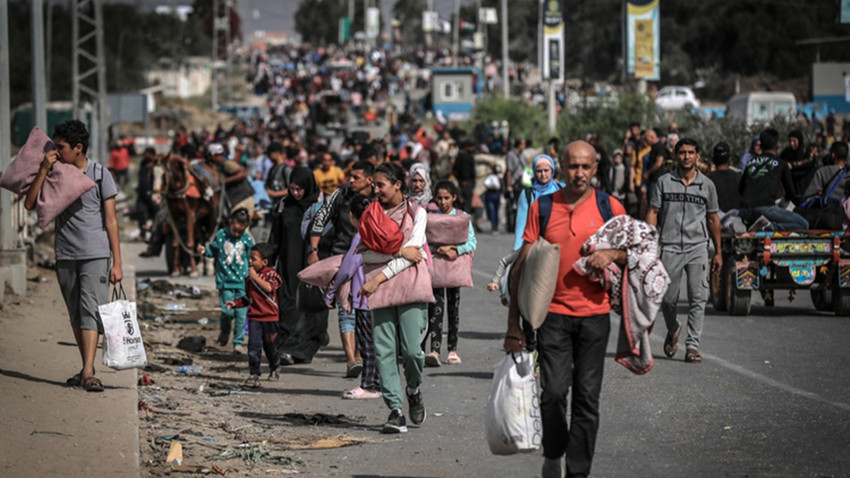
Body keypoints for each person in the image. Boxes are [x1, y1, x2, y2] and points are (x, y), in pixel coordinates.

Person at [503, 140, 626, 478]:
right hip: (553, 316)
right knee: (554, 393)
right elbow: (521, 268)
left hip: (595, 317)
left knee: (587, 399)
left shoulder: (609, 207)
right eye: (573, 166)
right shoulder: (542, 207)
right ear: (562, 167)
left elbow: (636, 253)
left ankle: (577, 473)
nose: (580, 173)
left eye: (586, 167)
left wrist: (613, 255)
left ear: (595, 169)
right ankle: (554, 451)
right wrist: (513, 324)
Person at [25, 120, 122, 392]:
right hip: (65, 253)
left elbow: (112, 221)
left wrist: (118, 262)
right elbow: (30, 204)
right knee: (75, 314)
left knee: (91, 311)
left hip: (95, 254)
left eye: (61, 147)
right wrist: (44, 168)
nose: (56, 151)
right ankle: (85, 368)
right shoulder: (55, 174)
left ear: (78, 148)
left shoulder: (100, 174)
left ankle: (89, 373)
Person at [358, 162, 429, 434]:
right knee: (384, 351)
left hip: (409, 287)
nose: (375, 190)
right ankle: (395, 410)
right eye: (374, 185)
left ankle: (413, 388)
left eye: (380, 185)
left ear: (398, 184)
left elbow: (416, 252)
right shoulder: (370, 215)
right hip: (380, 291)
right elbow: (366, 255)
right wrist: (400, 253)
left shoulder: (417, 213)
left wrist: (377, 276)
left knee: (412, 350)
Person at [646, 138, 722, 364]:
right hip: (669, 246)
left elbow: (713, 219)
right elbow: (653, 212)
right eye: (682, 152)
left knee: (698, 298)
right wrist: (650, 244)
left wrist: (718, 251)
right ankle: (673, 328)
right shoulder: (664, 182)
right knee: (667, 299)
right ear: (676, 155)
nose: (686, 156)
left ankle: (692, 346)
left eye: (691, 152)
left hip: (698, 247)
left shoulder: (707, 185)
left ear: (698, 156)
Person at [306, 161, 375, 376]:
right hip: (341, 257)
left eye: (356, 177)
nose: (350, 180)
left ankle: (361, 355)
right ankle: (351, 360)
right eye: (350, 176)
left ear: (369, 180)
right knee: (346, 308)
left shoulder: (379, 198)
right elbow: (320, 219)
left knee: (365, 307)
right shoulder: (338, 196)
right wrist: (313, 249)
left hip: (370, 260)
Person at [325, 194, 382, 400]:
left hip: (364, 297)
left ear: (352, 216)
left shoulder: (360, 237)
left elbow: (348, 269)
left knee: (366, 343)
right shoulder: (380, 234)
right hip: (382, 296)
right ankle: (378, 382)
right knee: (378, 343)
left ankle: (369, 385)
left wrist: (331, 291)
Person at [272, 167, 329, 364]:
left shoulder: (323, 205)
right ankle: (286, 346)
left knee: (312, 305)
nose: (296, 193)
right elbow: (275, 237)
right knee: (287, 302)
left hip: (314, 262)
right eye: (292, 189)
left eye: (300, 189)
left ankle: (304, 349)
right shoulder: (284, 205)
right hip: (288, 263)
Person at [425, 180, 477, 367]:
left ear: (454, 197)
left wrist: (454, 249)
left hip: (454, 270)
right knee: (435, 310)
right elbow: (424, 242)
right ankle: (434, 350)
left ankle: (452, 349)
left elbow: (471, 242)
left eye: (447, 198)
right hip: (437, 270)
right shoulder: (430, 217)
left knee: (453, 311)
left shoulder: (462, 217)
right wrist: (439, 250)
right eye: (439, 198)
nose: (443, 202)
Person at [197, 208, 254, 354]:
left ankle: (238, 343)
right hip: (225, 282)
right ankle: (225, 331)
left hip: (242, 283)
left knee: (241, 314)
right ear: (230, 222)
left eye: (240, 231)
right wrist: (204, 252)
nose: (237, 234)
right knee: (228, 312)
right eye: (235, 230)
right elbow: (212, 252)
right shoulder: (221, 235)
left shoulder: (246, 239)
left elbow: (250, 259)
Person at [225, 243, 282, 388]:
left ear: (265, 262)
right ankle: (254, 373)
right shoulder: (249, 279)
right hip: (255, 318)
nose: (250, 262)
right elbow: (248, 298)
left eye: (253, 259)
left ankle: (275, 366)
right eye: (249, 258)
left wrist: (255, 278)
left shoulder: (271, 274)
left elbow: (269, 288)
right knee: (253, 347)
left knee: (271, 347)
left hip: (270, 318)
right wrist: (236, 303)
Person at [739, 129, 809, 231]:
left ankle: (758, 225)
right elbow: (791, 193)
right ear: (777, 145)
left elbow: (741, 189)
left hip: (745, 211)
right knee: (803, 224)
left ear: (761, 145)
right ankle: (770, 227)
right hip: (765, 209)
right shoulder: (781, 164)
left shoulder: (750, 162)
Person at [513, 154, 564, 251]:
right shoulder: (527, 194)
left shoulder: (562, 190)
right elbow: (521, 225)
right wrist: (517, 251)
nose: (543, 174)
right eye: (539, 171)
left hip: (560, 244)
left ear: (552, 171)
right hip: (536, 246)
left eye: (546, 170)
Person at [707, 142, 741, 217]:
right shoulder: (738, 177)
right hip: (737, 222)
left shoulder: (707, 180)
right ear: (729, 159)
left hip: (716, 222)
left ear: (713, 160)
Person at [504, 138, 529, 232]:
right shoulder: (511, 155)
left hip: (523, 183)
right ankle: (512, 226)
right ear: (519, 145)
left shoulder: (522, 155)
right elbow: (509, 171)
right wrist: (509, 185)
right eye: (523, 144)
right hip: (514, 184)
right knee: (513, 206)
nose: (524, 146)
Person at [453, 141, 477, 214]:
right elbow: (472, 171)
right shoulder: (470, 157)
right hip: (468, 183)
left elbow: (455, 170)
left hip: (460, 183)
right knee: (468, 203)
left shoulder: (458, 156)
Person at [483, 164, 502, 233]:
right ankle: (495, 227)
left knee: (492, 211)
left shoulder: (489, 177)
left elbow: (486, 184)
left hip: (491, 194)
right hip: (496, 194)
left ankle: (494, 227)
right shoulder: (498, 178)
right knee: (496, 211)